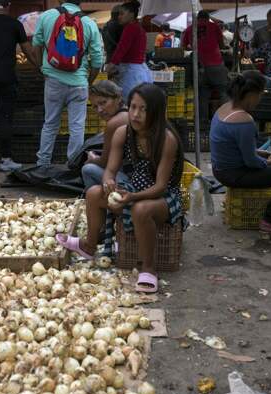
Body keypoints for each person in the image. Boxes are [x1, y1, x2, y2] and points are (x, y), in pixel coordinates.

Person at [59, 83, 184, 293]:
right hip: (132, 190)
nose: (135, 114)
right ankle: (89, 246)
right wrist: (108, 182)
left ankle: (149, 268)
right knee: (93, 193)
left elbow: (162, 186)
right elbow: (110, 169)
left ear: (156, 111)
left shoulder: (166, 140)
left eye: (143, 109)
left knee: (140, 209)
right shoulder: (122, 133)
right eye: (133, 107)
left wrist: (132, 196)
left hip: (162, 198)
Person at [210, 71, 271, 233]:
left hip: (219, 170)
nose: (260, 99)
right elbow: (251, 162)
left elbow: (237, 149)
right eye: (260, 95)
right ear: (251, 95)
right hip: (234, 174)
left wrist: (264, 154)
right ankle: (270, 219)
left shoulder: (223, 108)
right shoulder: (244, 121)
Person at [32, 0, 104, 167]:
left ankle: (43, 163)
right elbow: (97, 60)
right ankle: (73, 164)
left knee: (50, 123)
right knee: (77, 127)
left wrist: (42, 68)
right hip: (79, 82)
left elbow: (36, 45)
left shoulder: (46, 16)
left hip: (53, 80)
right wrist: (88, 81)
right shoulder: (89, 23)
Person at [0, 0, 39, 171]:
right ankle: (6, 159)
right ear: (8, 6)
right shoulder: (14, 24)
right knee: (5, 116)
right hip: (4, 76)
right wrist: (39, 67)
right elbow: (27, 50)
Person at [82, 80, 130, 189]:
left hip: (133, 181)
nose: (99, 110)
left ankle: (98, 202)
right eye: (95, 106)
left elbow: (104, 162)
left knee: (87, 169)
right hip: (145, 178)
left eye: (103, 103)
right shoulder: (128, 113)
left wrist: (92, 158)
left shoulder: (114, 123)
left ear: (117, 98)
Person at [182, 11, 228, 121]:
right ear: (208, 18)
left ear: (197, 18)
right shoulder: (214, 26)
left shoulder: (190, 28)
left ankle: (203, 122)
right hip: (216, 65)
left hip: (200, 67)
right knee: (224, 93)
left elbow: (184, 47)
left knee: (202, 95)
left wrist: (194, 47)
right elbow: (221, 44)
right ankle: (226, 118)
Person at [106, 1, 152, 101]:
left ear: (131, 14)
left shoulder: (130, 28)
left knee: (129, 103)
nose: (119, 17)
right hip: (140, 70)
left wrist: (111, 64)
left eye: (122, 14)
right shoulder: (139, 28)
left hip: (131, 72)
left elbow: (122, 48)